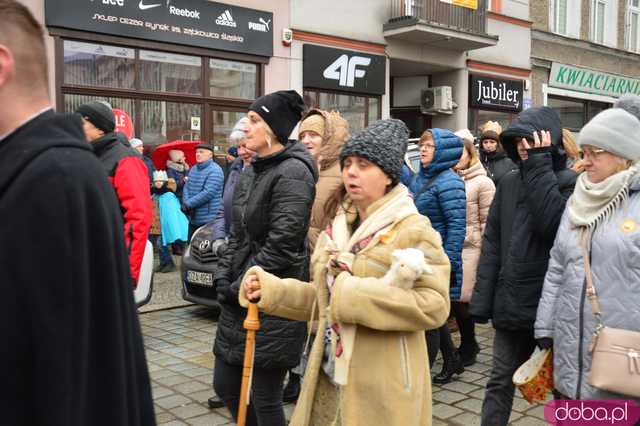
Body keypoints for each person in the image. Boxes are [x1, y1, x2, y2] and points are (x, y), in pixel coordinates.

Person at [0, 1, 154, 424]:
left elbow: (138, 219)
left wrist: (125, 276)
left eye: (87, 120)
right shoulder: (63, 165)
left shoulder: (61, 177)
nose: (81, 124)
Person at [239, 119, 451, 426]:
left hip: (383, 387)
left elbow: (434, 305)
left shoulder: (413, 228)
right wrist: (273, 291)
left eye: (364, 165)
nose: (351, 171)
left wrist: (355, 296)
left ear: (389, 175)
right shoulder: (338, 227)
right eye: (348, 163)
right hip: (330, 373)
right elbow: (325, 299)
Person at [212, 90, 317, 426]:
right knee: (225, 385)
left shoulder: (294, 173)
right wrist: (223, 277)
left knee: (265, 396)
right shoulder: (252, 170)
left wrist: (242, 283)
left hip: (272, 298)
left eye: (255, 121)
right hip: (239, 298)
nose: (246, 129)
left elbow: (282, 244)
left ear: (274, 128)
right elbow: (238, 235)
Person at [470, 107, 578, 426]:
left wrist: (540, 166)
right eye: (517, 140)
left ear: (549, 141)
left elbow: (553, 227)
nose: (521, 146)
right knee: (499, 381)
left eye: (529, 140)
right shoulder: (507, 182)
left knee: (563, 389)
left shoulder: (571, 182)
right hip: (510, 303)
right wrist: (482, 301)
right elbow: (492, 244)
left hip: (551, 307)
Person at [535, 108, 640, 401]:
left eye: (596, 152)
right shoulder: (578, 200)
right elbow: (557, 265)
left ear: (623, 155)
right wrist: (545, 324)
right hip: (570, 353)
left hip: (623, 358)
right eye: (584, 151)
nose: (586, 161)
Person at [408, 128, 466, 384]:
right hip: (419, 256)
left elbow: (456, 225)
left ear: (442, 152)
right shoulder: (420, 178)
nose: (422, 150)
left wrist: (449, 261)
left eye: (429, 146)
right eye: (422, 145)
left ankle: (422, 373)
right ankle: (452, 359)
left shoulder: (450, 182)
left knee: (429, 319)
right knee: (434, 313)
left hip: (438, 258)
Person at [76, 100, 152, 286]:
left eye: (82, 122)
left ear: (100, 128)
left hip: (109, 263)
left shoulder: (126, 159)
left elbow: (138, 218)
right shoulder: (85, 156)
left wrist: (127, 273)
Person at [207, 116, 254, 410]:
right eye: (238, 146)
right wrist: (219, 237)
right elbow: (225, 210)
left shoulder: (272, 170)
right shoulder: (235, 169)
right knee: (228, 329)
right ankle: (229, 388)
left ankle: (239, 390)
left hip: (251, 261)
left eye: (246, 143)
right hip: (232, 253)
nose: (242, 150)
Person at [453, 129, 496, 367]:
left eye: (461, 153)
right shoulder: (451, 178)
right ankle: (467, 343)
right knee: (454, 299)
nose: (457, 158)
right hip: (452, 245)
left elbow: (489, 219)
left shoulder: (483, 182)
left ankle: (469, 344)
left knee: (462, 299)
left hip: (472, 246)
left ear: (471, 155)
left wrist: (484, 249)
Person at [182, 144, 224, 240]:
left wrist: (188, 204)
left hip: (208, 218)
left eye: (201, 152)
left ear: (210, 155)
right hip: (193, 217)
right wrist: (186, 202)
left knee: (203, 248)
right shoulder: (193, 168)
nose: (198, 154)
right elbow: (187, 187)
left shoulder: (215, 170)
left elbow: (208, 193)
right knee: (191, 245)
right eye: (197, 152)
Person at [151, 171, 188, 273]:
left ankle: (169, 263)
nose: (158, 183)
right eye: (156, 181)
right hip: (156, 225)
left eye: (160, 181)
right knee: (159, 245)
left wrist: (169, 224)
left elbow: (172, 211)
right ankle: (163, 263)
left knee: (160, 243)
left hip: (165, 224)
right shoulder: (154, 194)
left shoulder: (168, 195)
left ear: (165, 182)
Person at [479, 121, 517, 185]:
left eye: (492, 142)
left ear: (498, 144)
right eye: (485, 142)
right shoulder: (477, 161)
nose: (488, 145)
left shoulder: (509, 162)